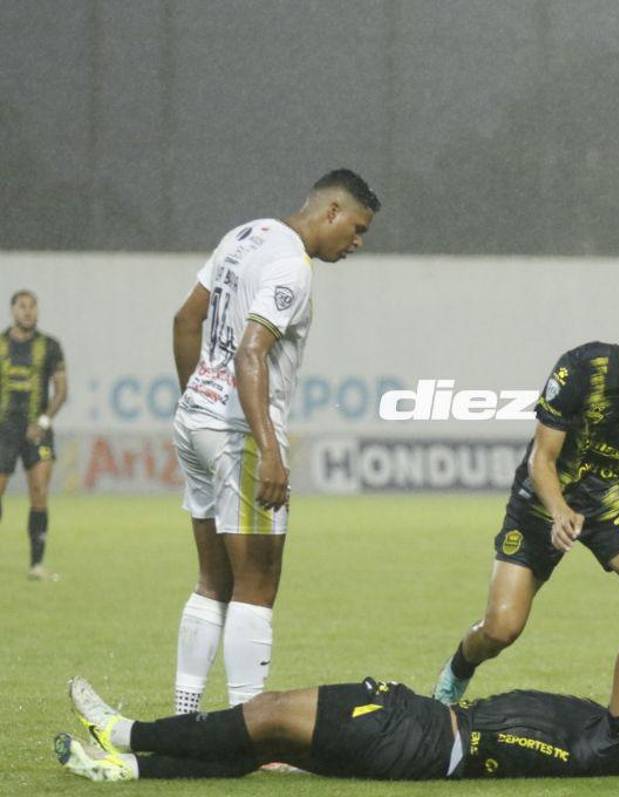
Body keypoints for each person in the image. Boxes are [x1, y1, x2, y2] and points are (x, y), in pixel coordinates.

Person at [433, 293, 619, 768]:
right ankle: (455, 673)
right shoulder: (581, 370)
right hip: (541, 504)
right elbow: (541, 460)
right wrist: (557, 511)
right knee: (501, 628)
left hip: (614, 504)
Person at [169, 169, 379, 715]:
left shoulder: (244, 236)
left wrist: (198, 396)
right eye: (356, 229)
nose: (356, 243)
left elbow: (186, 319)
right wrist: (269, 448)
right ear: (331, 211)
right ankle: (249, 730)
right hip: (237, 433)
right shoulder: (292, 264)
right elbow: (251, 352)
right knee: (257, 583)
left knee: (212, 579)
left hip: (195, 421)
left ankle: (185, 716)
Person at [56, 637, 619, 782]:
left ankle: (122, 729)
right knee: (269, 746)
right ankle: (128, 770)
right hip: (423, 738)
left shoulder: (615, 747)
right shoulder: (611, 745)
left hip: (418, 737)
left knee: (270, 712)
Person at [0, 290, 68, 581]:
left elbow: (62, 390)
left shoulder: (50, 346)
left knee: (39, 492)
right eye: (22, 306)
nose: (28, 312)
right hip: (3, 429)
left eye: (32, 307)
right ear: (12, 310)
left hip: (36, 429)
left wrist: (42, 421)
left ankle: (36, 565)